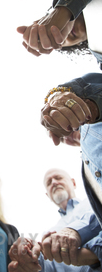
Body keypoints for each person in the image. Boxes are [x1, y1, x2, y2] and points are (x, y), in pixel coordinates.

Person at [9, 168, 102, 272]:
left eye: (58, 178)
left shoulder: (94, 203)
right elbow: (47, 271)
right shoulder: (49, 233)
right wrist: (31, 259)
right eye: (49, 183)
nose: (54, 182)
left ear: (73, 183)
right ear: (48, 195)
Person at [41, 73, 102, 228]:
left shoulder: (93, 125)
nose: (67, 137)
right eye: (62, 139)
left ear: (72, 182)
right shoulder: (88, 173)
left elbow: (90, 87)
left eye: (65, 131)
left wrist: (58, 96)